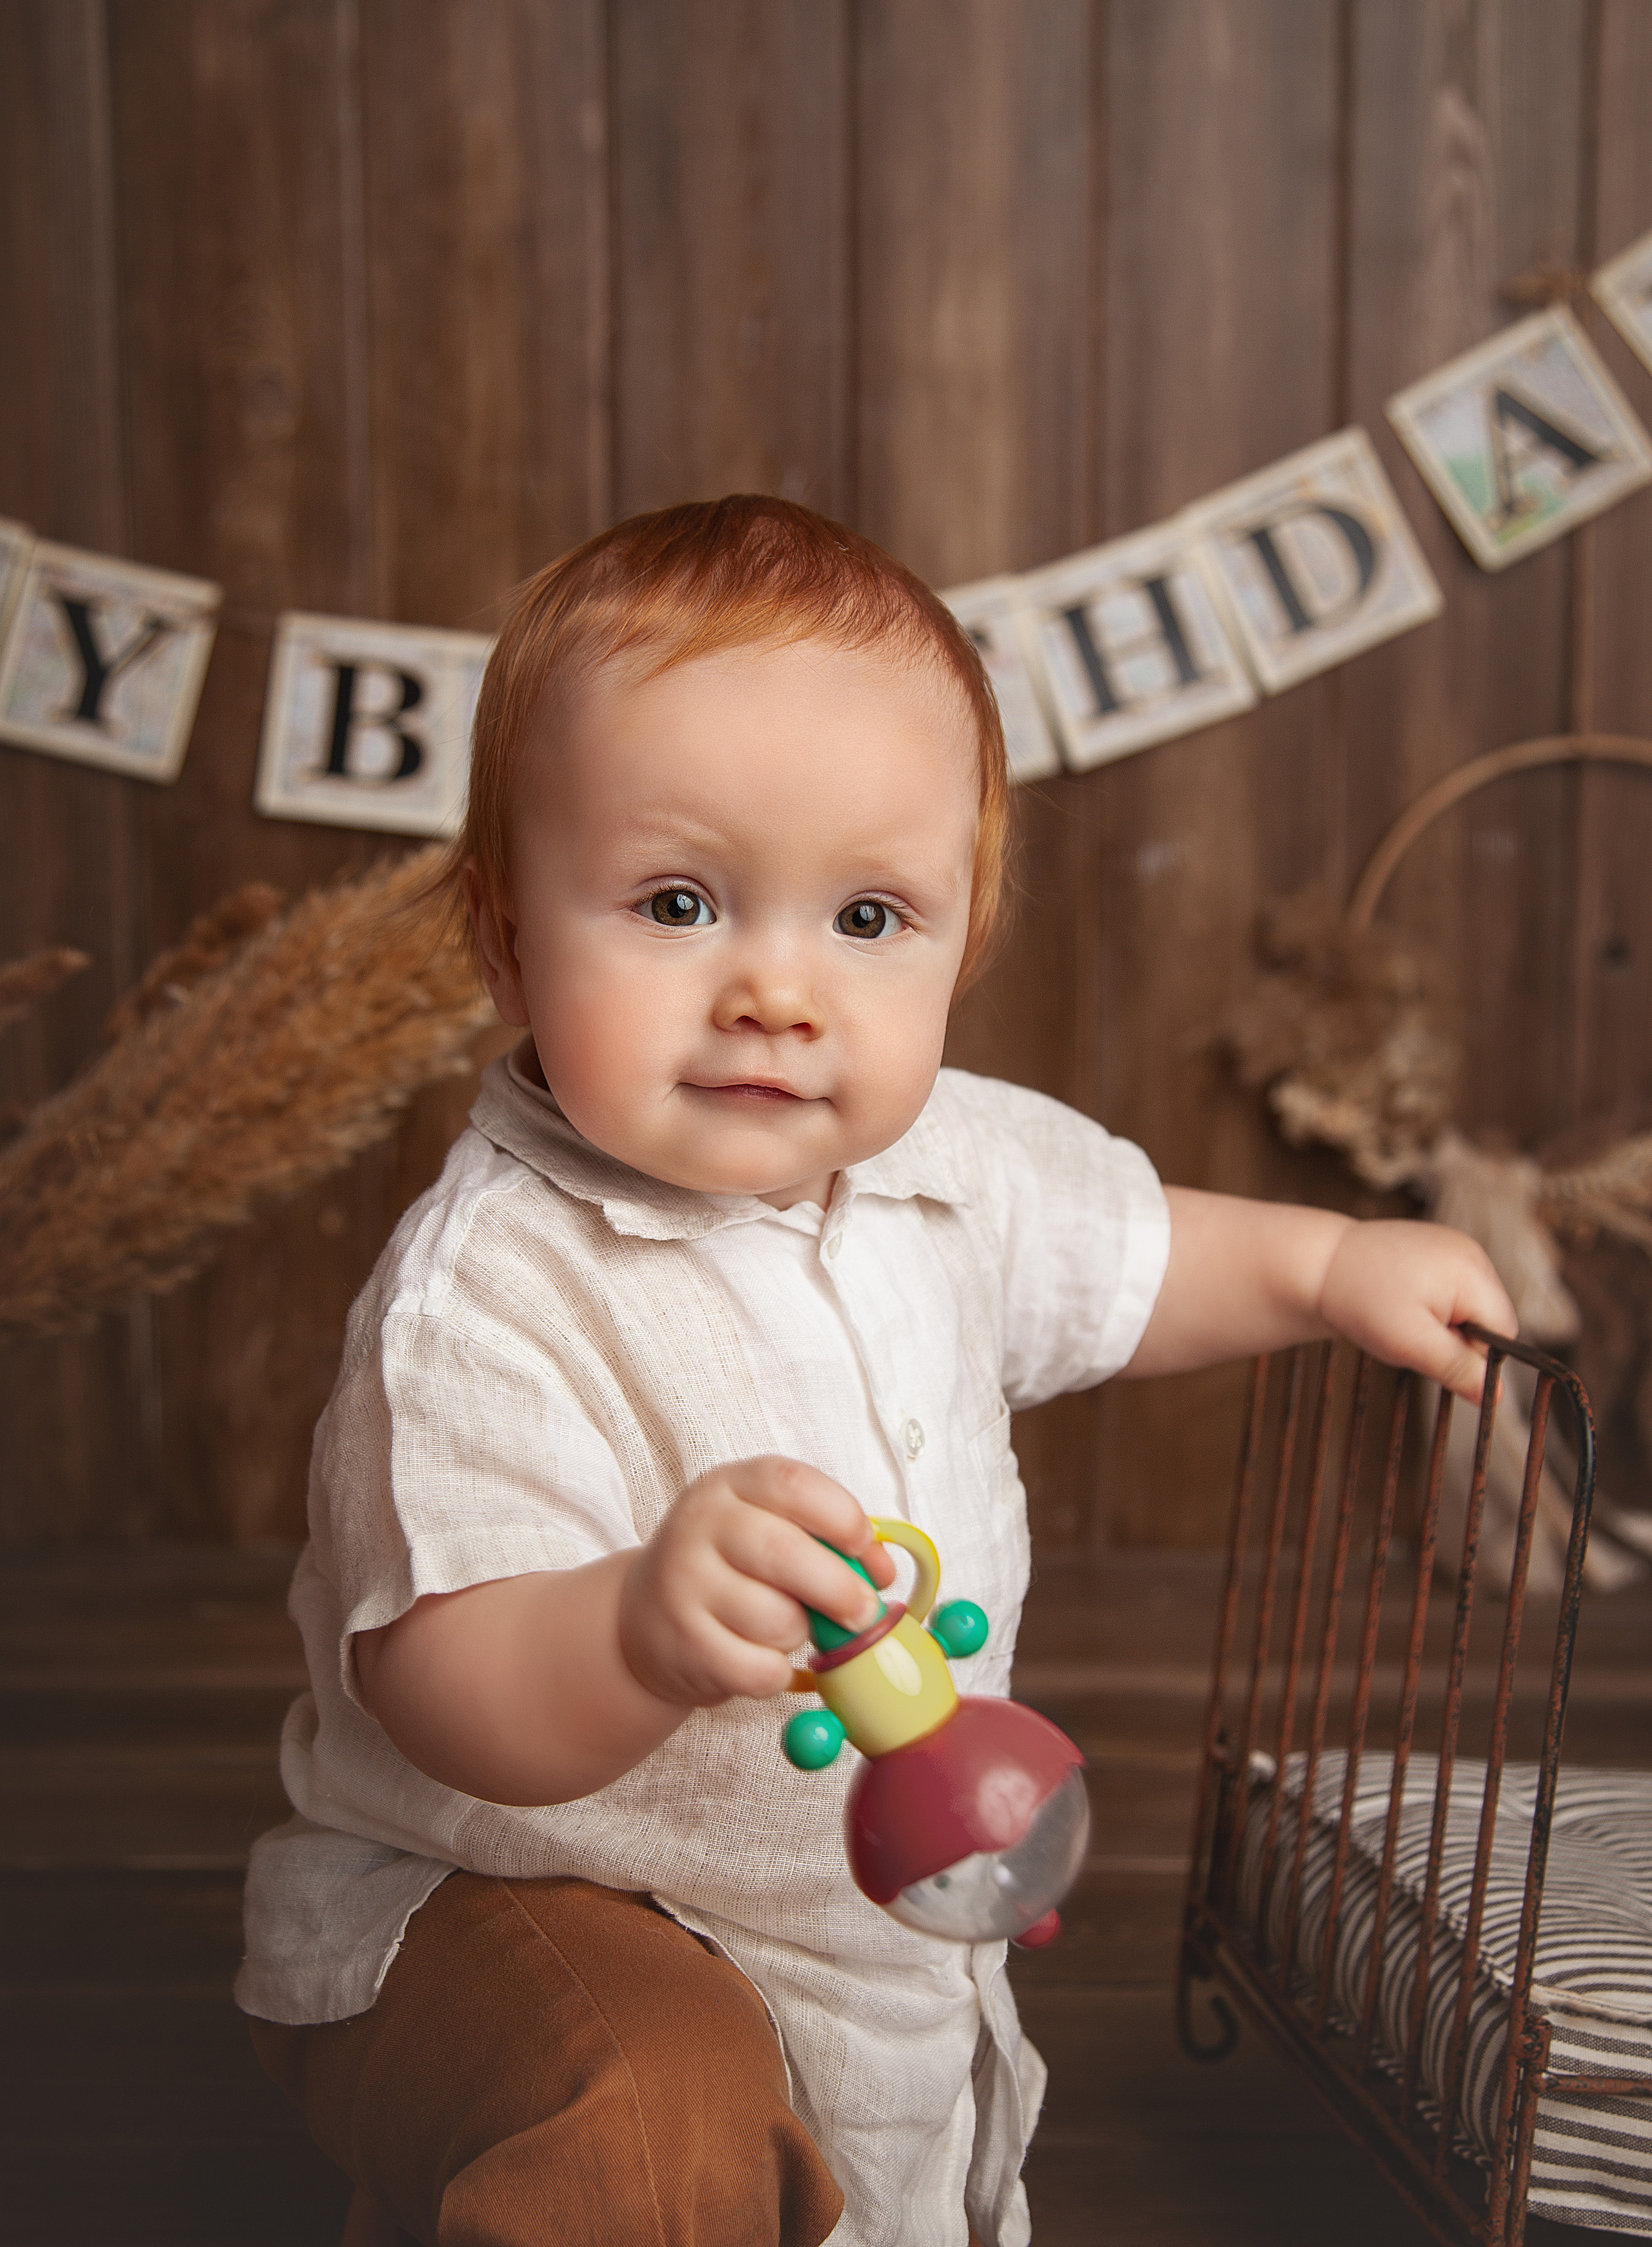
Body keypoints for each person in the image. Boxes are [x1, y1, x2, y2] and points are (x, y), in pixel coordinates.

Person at [239, 496, 1516, 2247]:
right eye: (678, 902)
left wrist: (1326, 1265)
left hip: (847, 1932)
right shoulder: (491, 1291)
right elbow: (437, 1679)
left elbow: (1138, 1258)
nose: (776, 988)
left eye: (867, 916)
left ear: (962, 941)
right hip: (513, 1901)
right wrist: (629, 1628)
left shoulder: (958, 1167)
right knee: (647, 2122)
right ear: (505, 932)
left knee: (852, 2166)